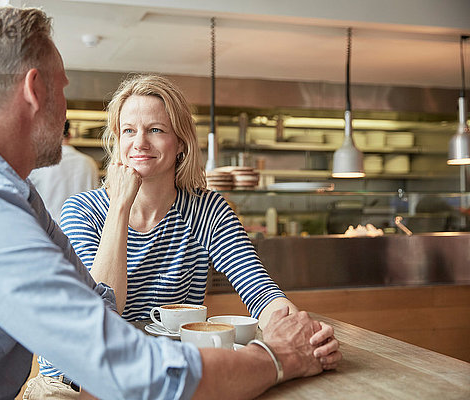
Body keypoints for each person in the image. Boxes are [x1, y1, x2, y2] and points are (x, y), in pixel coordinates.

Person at [0, 6, 340, 400]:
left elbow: (98, 304)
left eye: (156, 129)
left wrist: (289, 331)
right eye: (65, 87)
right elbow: (134, 372)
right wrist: (277, 358)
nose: (68, 110)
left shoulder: (4, 193)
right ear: (36, 90)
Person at [31, 74, 340, 397]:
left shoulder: (206, 211)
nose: (139, 143)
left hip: (161, 380)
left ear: (180, 143)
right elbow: (102, 314)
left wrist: (305, 336)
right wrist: (120, 207)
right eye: (129, 131)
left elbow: (260, 292)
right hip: (73, 385)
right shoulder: (82, 211)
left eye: (155, 130)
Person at [29, 121, 99, 222]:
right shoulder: (89, 163)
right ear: (70, 135)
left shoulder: (41, 164)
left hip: (48, 228)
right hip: (82, 228)